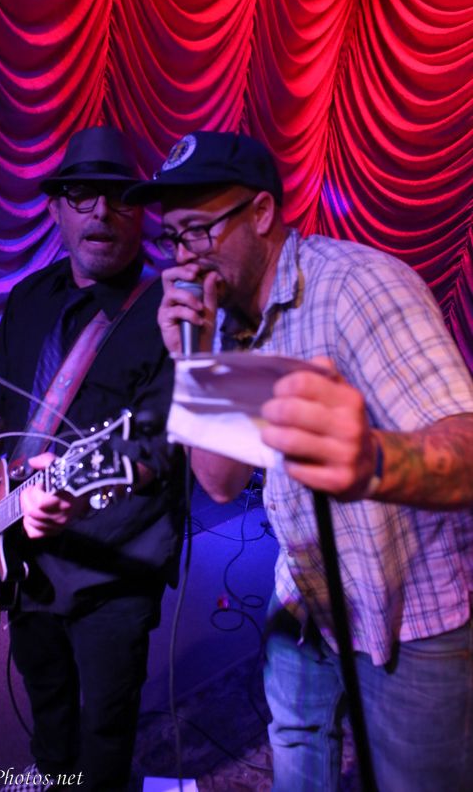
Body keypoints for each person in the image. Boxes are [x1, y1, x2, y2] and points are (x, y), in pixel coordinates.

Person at [124, 130, 473, 791]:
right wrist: (193, 359)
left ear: (261, 213)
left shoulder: (359, 287)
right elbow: (219, 481)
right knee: (296, 758)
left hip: (409, 613)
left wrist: (375, 460)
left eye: (198, 231)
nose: (185, 258)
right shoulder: (226, 319)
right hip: (306, 597)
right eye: (172, 238)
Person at [0, 126, 184, 792]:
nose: (101, 211)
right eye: (82, 195)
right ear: (55, 208)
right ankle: (52, 774)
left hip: (115, 566)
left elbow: (163, 445)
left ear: (141, 211)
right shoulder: (30, 297)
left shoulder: (171, 312)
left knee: (107, 721)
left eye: (119, 196)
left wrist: (79, 495)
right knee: (45, 690)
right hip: (22, 552)